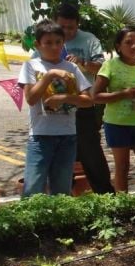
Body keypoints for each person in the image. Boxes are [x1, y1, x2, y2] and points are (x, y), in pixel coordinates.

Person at [18, 20, 92, 196]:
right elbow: (30, 98)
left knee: (61, 189)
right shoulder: (30, 66)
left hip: (67, 136)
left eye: (58, 42)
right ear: (38, 44)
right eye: (48, 43)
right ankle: (30, 223)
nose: (54, 47)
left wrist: (65, 97)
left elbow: (88, 100)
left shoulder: (71, 67)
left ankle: (57, 224)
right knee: (33, 187)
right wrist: (49, 75)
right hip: (40, 136)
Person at [53, 3, 113, 194]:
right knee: (61, 154)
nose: (66, 32)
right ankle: (63, 197)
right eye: (62, 27)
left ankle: (105, 196)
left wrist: (83, 63)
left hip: (84, 103)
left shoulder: (89, 40)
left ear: (78, 25)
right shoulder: (48, 39)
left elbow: (102, 68)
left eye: (71, 27)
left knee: (91, 153)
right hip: (56, 107)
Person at [92, 27, 135, 192]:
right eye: (128, 42)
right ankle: (123, 206)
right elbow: (96, 96)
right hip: (117, 123)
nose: (134, 46)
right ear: (118, 45)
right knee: (122, 168)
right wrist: (123, 94)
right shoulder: (110, 65)